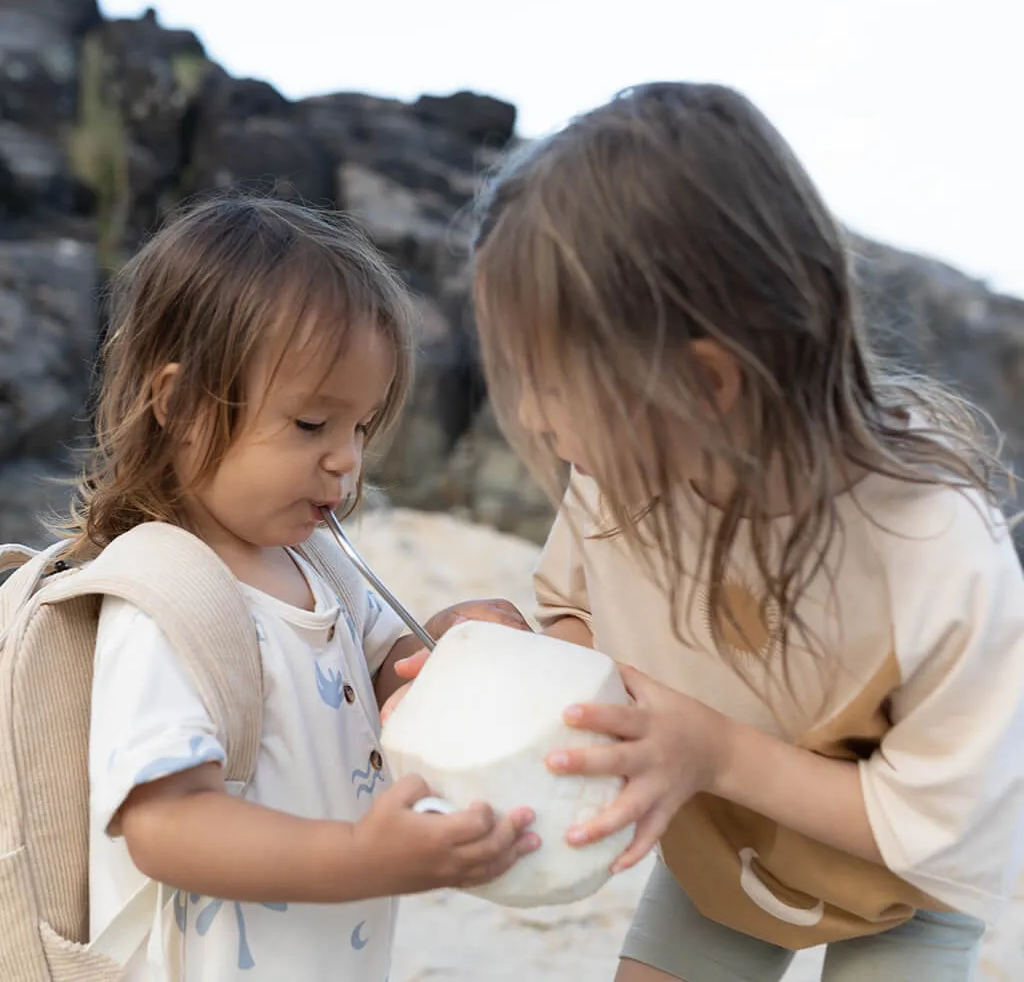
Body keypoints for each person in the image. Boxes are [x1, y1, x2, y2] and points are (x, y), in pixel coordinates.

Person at [461, 82, 1024, 980]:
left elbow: (933, 824)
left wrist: (715, 750)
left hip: (905, 880)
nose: (529, 414)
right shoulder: (620, 480)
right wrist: (524, 676)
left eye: (553, 383)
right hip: (725, 841)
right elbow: (580, 625)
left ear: (708, 384)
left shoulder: (935, 549)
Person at [61, 195, 538, 981]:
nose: (348, 459)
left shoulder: (325, 565)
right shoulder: (164, 594)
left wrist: (456, 639)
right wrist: (359, 856)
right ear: (180, 404)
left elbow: (388, 678)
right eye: (314, 425)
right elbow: (167, 824)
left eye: (362, 426)